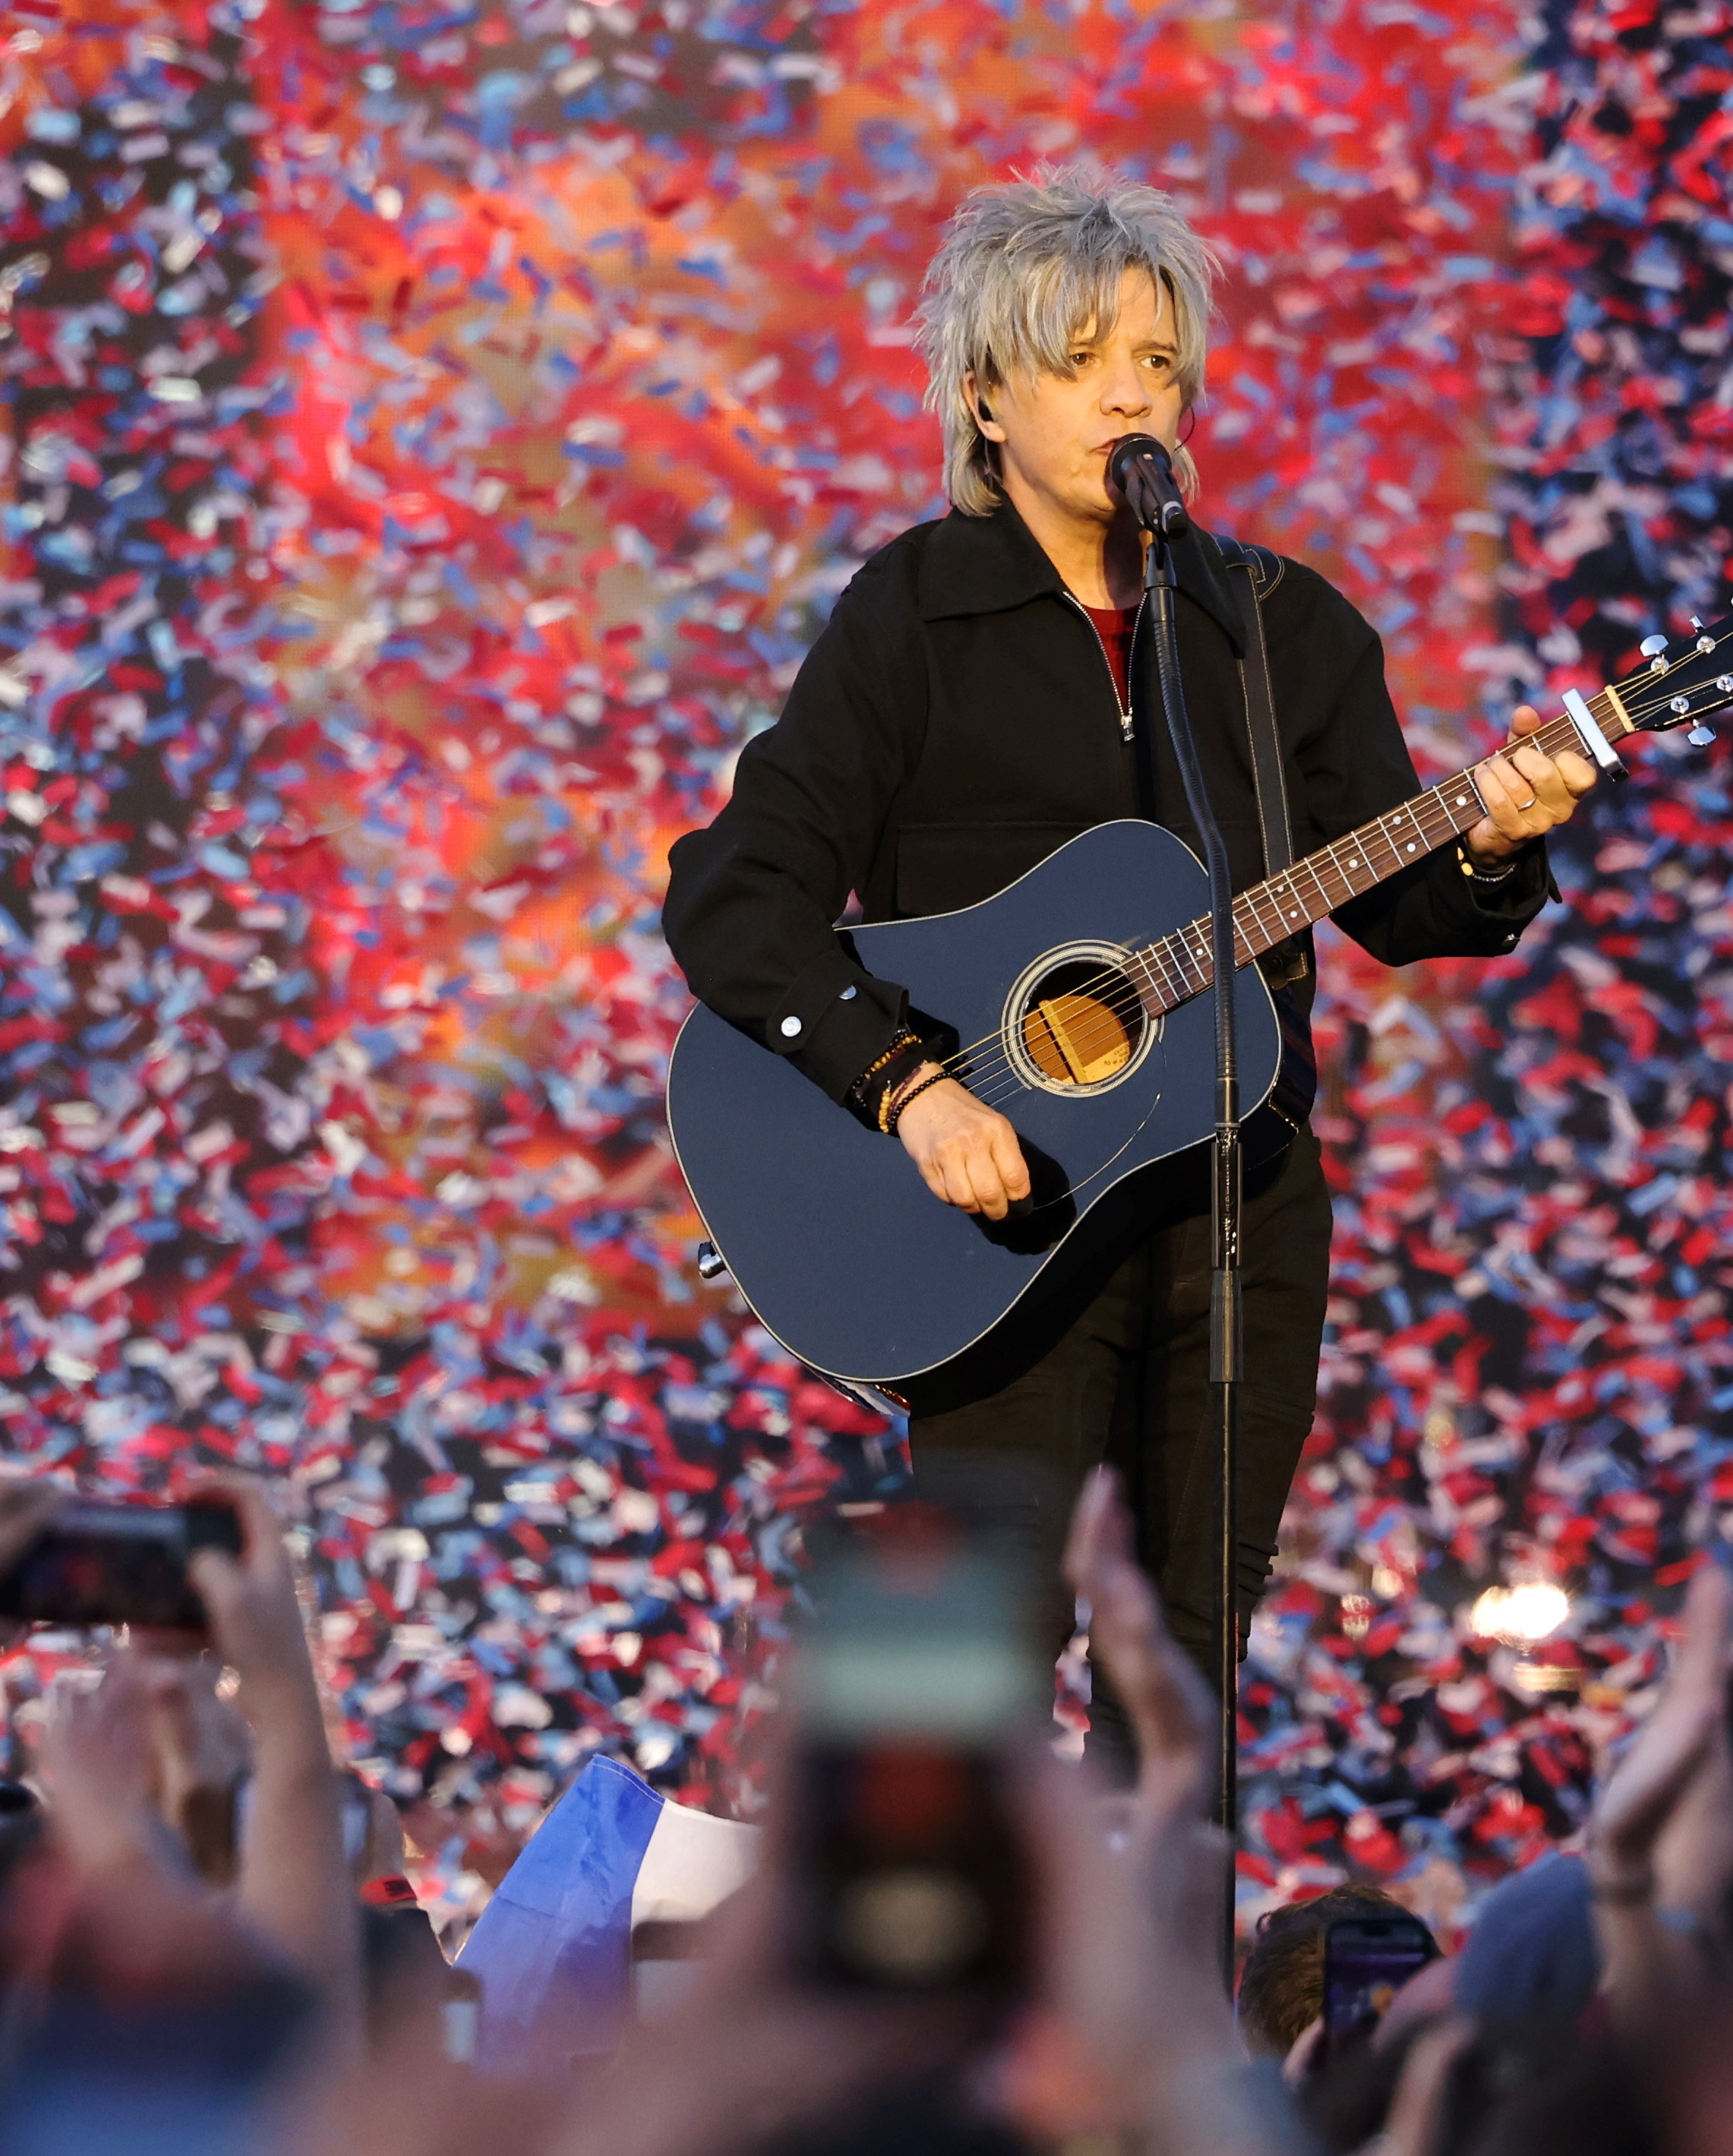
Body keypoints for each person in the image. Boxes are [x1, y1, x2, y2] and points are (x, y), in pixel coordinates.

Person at [661, 162, 1601, 1768]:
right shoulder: (912, 618)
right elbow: (734, 893)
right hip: (994, 1213)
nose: (1129, 394)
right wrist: (905, 1090)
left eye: (1157, 364)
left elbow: (1401, 902)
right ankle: (968, 1998)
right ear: (985, 399)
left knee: (1185, 1668)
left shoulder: (1276, 629)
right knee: (976, 1656)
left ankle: (1163, 2000)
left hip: (1235, 1199)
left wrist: (1500, 838)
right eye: (1084, 359)